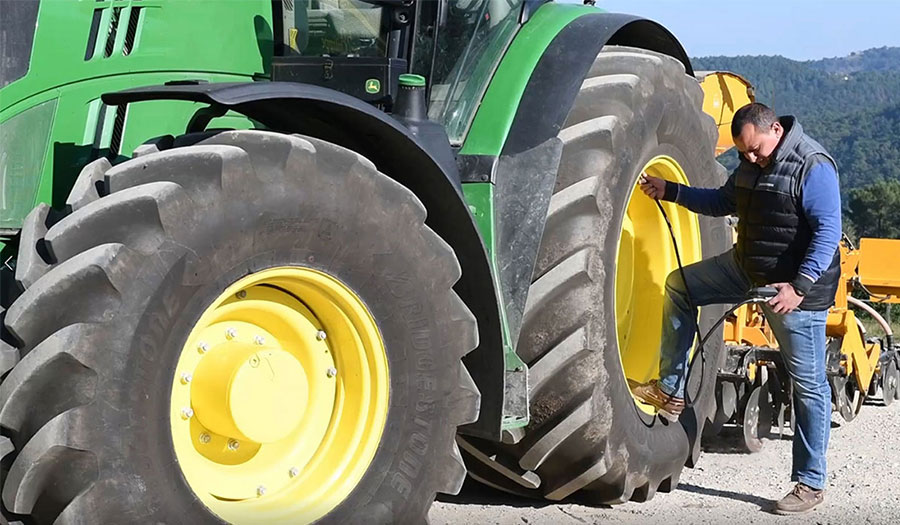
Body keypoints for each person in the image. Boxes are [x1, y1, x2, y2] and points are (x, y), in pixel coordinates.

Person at [633, 102, 842, 515]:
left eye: (756, 151)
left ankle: (810, 483)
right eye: (743, 152)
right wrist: (671, 190)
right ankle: (671, 391)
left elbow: (828, 232)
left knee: (808, 385)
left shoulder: (812, 165)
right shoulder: (749, 164)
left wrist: (799, 289)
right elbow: (721, 201)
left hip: (793, 289)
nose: (750, 158)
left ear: (775, 131)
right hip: (745, 269)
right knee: (679, 286)